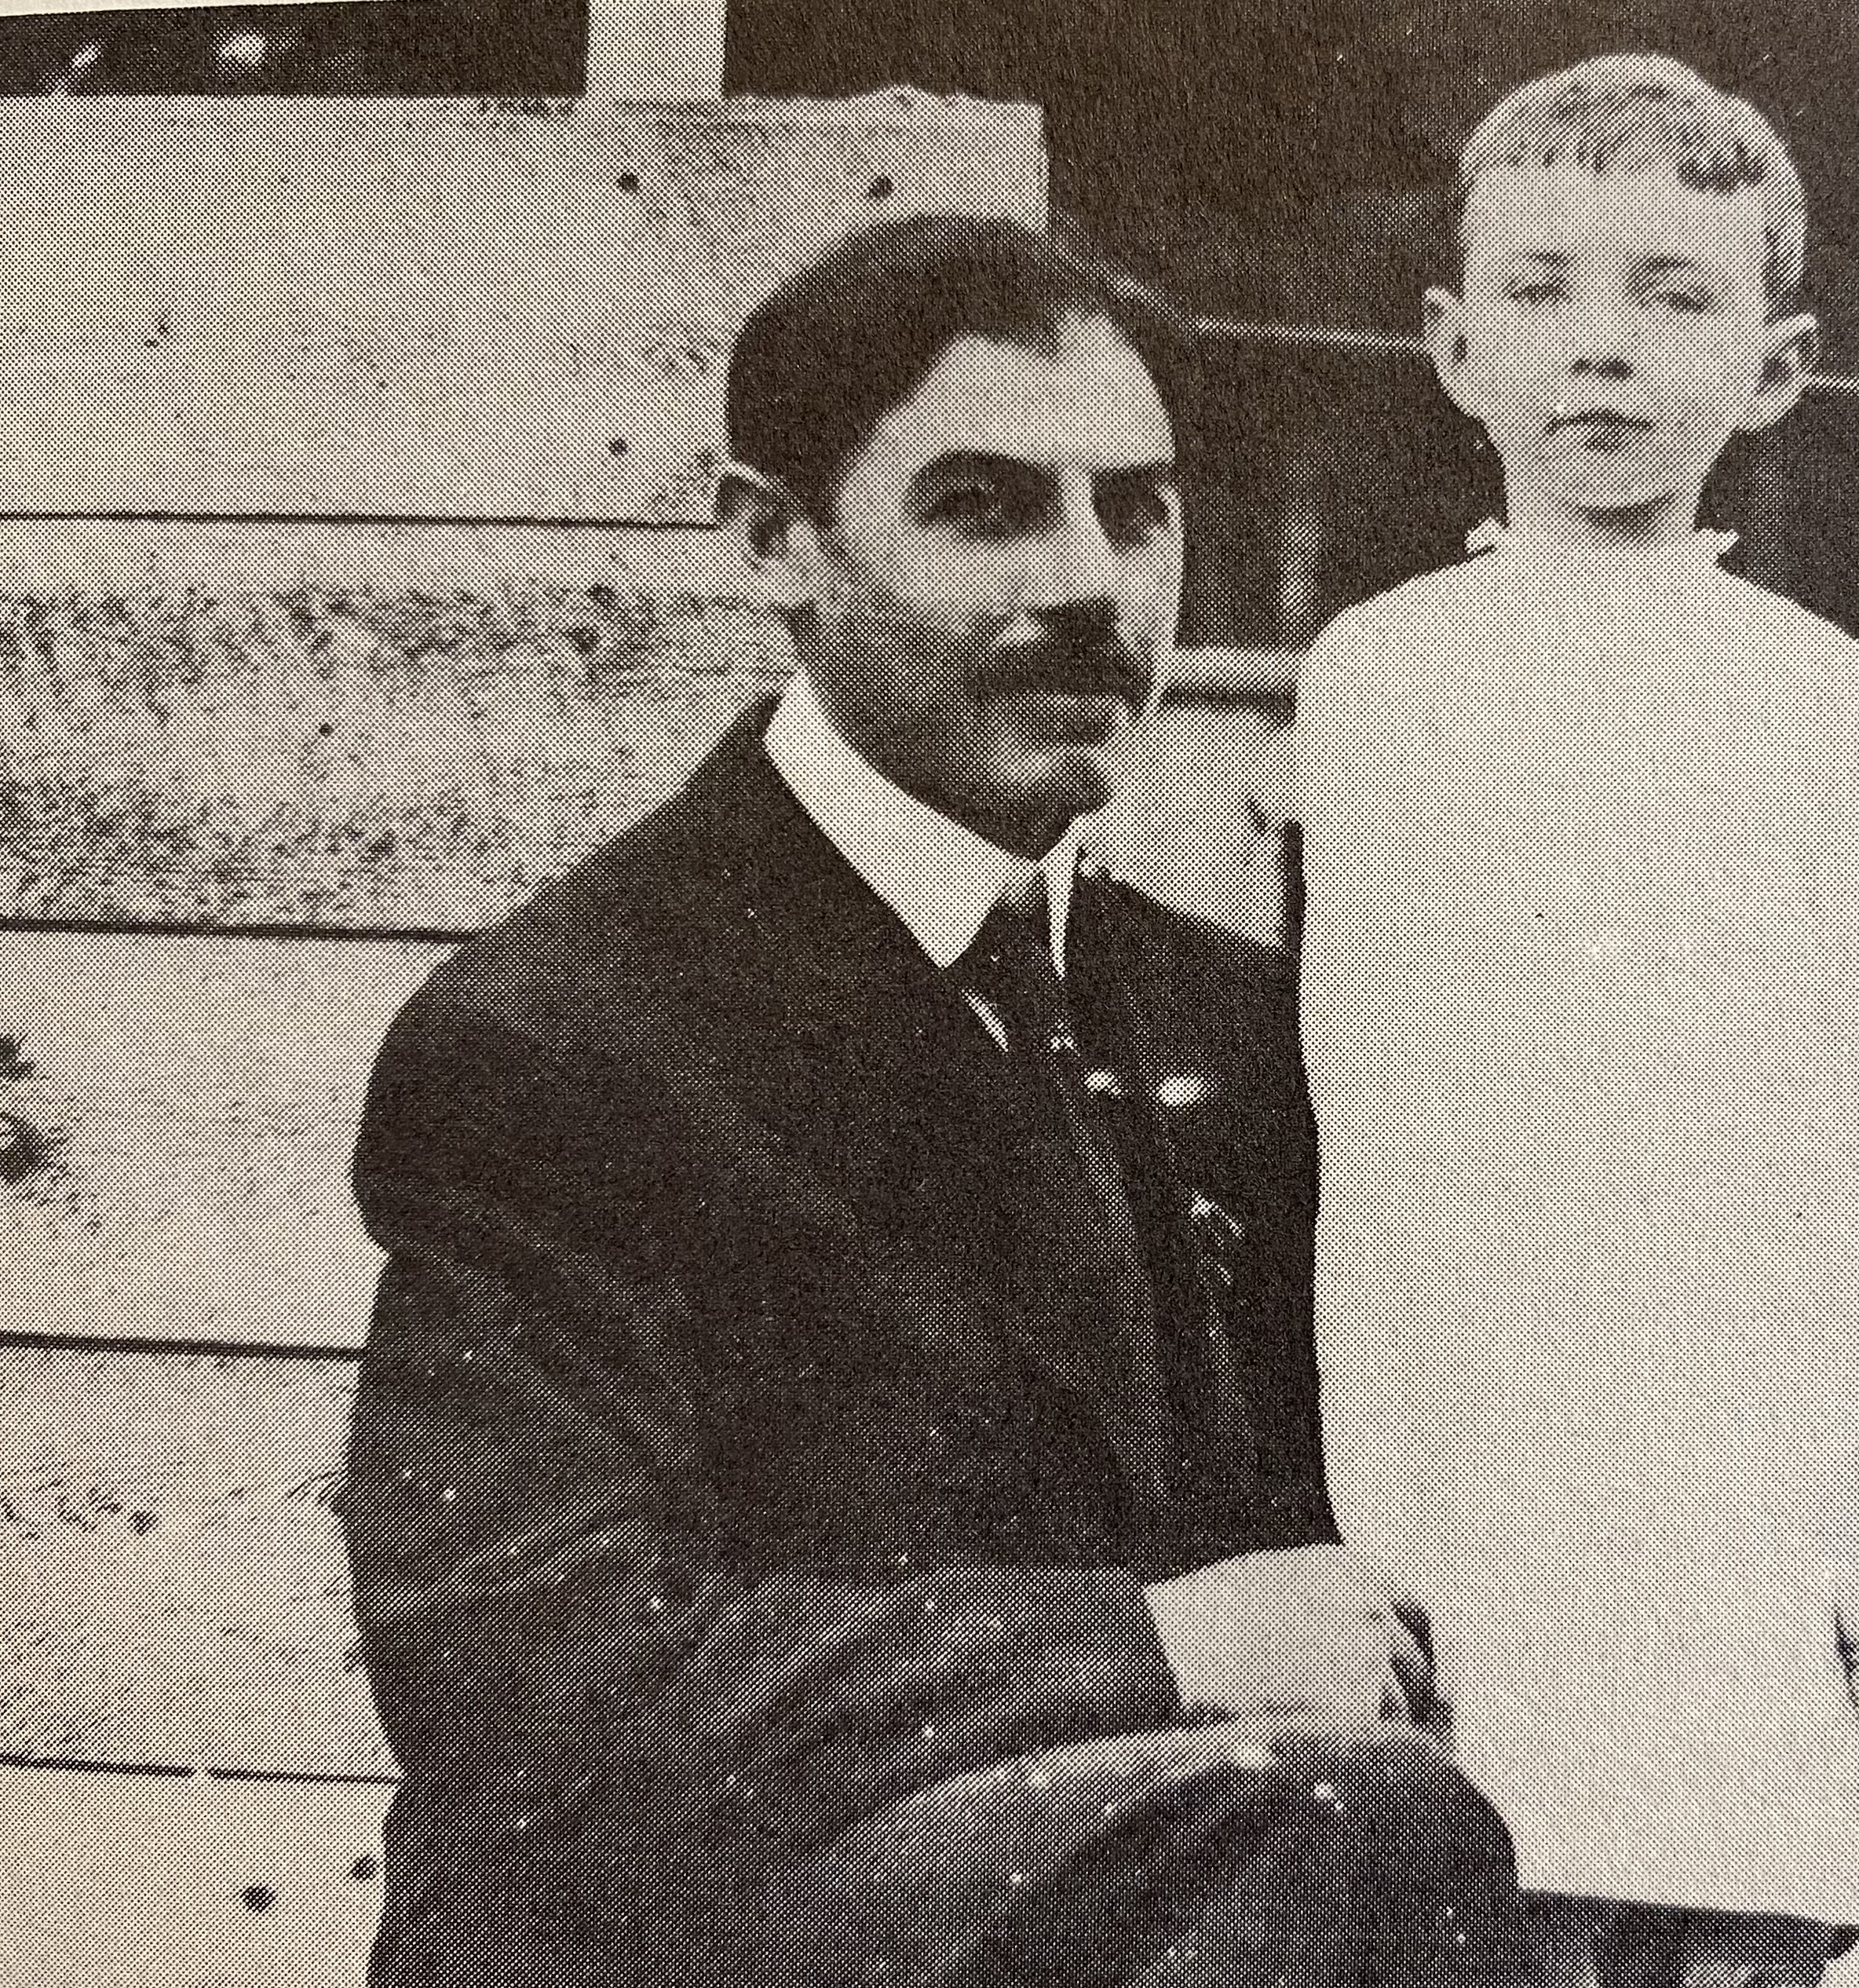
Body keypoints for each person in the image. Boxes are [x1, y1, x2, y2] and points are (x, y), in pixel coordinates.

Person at [341, 214, 1533, 1988]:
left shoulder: (1226, 1015)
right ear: (772, 541)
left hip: (1151, 1907)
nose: (1092, 584)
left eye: (1138, 509)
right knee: (1343, 1817)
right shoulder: (563, 1038)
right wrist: (1156, 1648)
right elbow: (537, 1683)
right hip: (667, 1935)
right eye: (987, 508)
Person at [1298, 56, 1859, 1986]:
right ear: (1454, 343)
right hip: (1479, 1316)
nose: (1603, 351)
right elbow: (1364, 1024)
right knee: (1508, 1776)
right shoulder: (1383, 672)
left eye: (1676, 298)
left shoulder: (1815, 694)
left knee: (1750, 1771)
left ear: (1775, 365)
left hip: (1741, 1326)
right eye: (1546, 291)